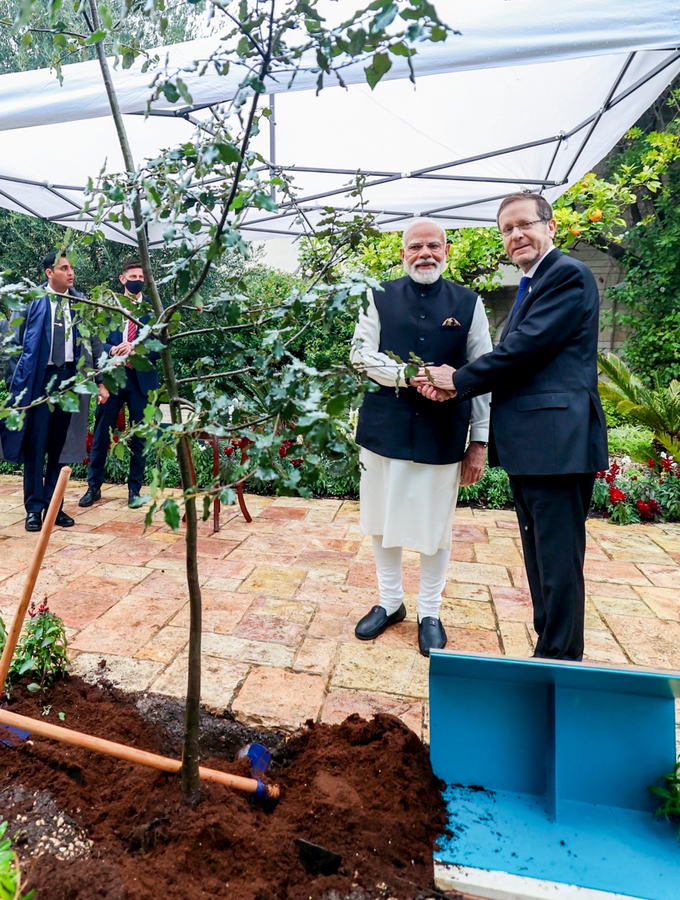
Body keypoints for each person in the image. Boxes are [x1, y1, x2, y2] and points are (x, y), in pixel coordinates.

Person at [413, 192, 608, 661]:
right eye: (507, 229)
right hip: (535, 447)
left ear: (550, 227)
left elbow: (523, 351)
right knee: (542, 561)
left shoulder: (566, 276)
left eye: (524, 224)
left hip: (557, 446)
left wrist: (454, 380)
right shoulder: (533, 283)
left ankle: (560, 660)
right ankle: (550, 647)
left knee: (558, 565)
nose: (516, 235)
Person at [350, 219, 493, 657]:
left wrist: (480, 442)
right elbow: (359, 353)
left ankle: (430, 611)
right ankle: (390, 602)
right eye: (416, 246)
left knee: (436, 529)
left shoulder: (469, 303)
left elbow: (484, 371)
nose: (425, 253)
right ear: (403, 253)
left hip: (443, 432)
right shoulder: (376, 295)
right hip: (382, 428)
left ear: (447, 250)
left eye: (433, 245)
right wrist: (406, 375)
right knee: (381, 521)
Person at [0, 251, 108, 532]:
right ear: (49, 273)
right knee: (36, 446)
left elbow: (94, 343)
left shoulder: (80, 302)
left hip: (69, 379)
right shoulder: (32, 300)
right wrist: (17, 382)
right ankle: (34, 509)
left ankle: (54, 506)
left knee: (59, 446)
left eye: (71, 268)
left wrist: (100, 380)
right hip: (39, 380)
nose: (70, 273)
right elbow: (11, 343)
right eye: (64, 268)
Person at [79, 259, 160, 509]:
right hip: (112, 379)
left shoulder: (154, 308)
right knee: (101, 433)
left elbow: (160, 346)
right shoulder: (107, 307)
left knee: (140, 437)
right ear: (122, 279)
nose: (138, 281)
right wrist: (111, 348)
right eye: (133, 276)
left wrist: (135, 347)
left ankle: (134, 488)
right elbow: (92, 341)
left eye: (141, 277)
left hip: (140, 380)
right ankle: (94, 487)